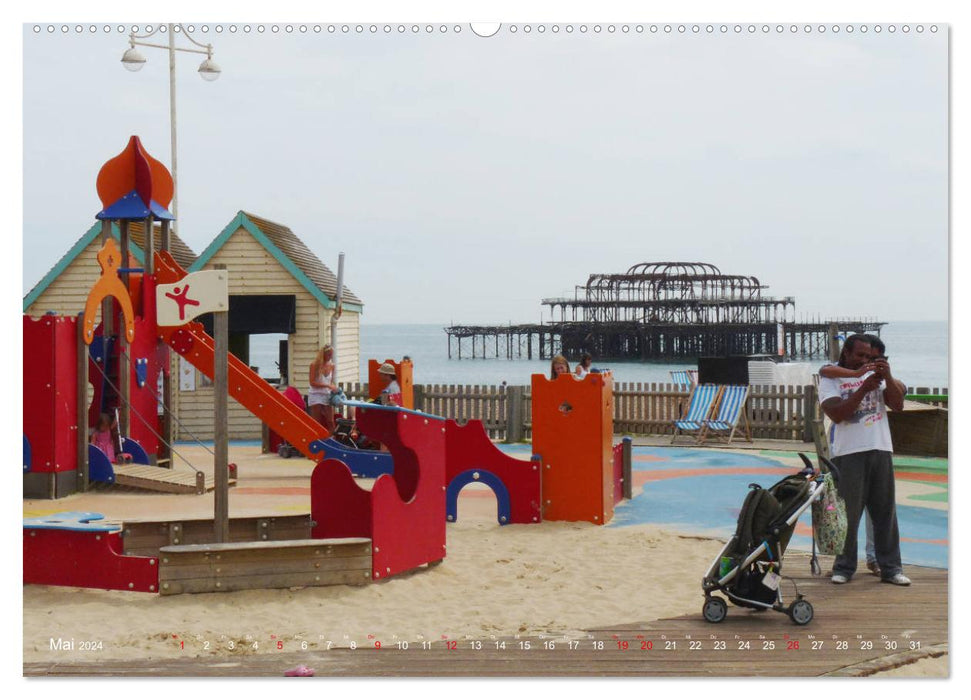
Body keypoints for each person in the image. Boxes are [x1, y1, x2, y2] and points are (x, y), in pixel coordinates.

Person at [818, 334, 909, 586]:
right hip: (848, 453)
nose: (864, 361)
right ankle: (844, 567)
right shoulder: (831, 379)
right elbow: (838, 414)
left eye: (869, 357)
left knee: (885, 513)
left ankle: (891, 568)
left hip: (880, 448)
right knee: (848, 514)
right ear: (846, 353)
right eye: (859, 355)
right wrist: (861, 389)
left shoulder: (877, 378)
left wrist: (886, 377)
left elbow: (898, 404)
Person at [308, 345, 338, 432]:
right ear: (323, 354)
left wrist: (333, 388)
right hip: (315, 394)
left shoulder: (332, 365)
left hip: (327, 394)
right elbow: (312, 383)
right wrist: (327, 386)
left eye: (331, 355)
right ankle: (316, 440)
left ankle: (332, 440)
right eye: (328, 355)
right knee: (317, 421)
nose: (330, 357)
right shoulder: (314, 365)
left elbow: (330, 382)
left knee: (330, 421)